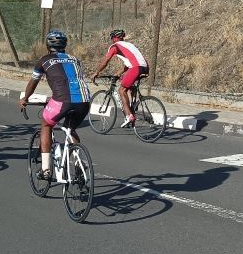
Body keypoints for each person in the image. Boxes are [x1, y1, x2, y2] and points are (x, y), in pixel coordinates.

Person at [20, 31, 91, 180]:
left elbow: (33, 82)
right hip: (84, 101)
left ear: (47, 46)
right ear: (65, 45)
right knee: (70, 129)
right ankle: (78, 164)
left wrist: (25, 98)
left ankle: (45, 169)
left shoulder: (43, 60)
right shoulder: (75, 59)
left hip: (61, 100)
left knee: (46, 124)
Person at [91, 29, 149, 128]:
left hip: (135, 67)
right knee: (124, 81)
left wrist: (96, 72)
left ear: (113, 38)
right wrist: (118, 73)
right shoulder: (129, 45)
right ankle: (132, 106)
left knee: (121, 90)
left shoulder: (115, 46)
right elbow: (128, 64)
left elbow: (105, 61)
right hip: (145, 67)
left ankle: (129, 116)